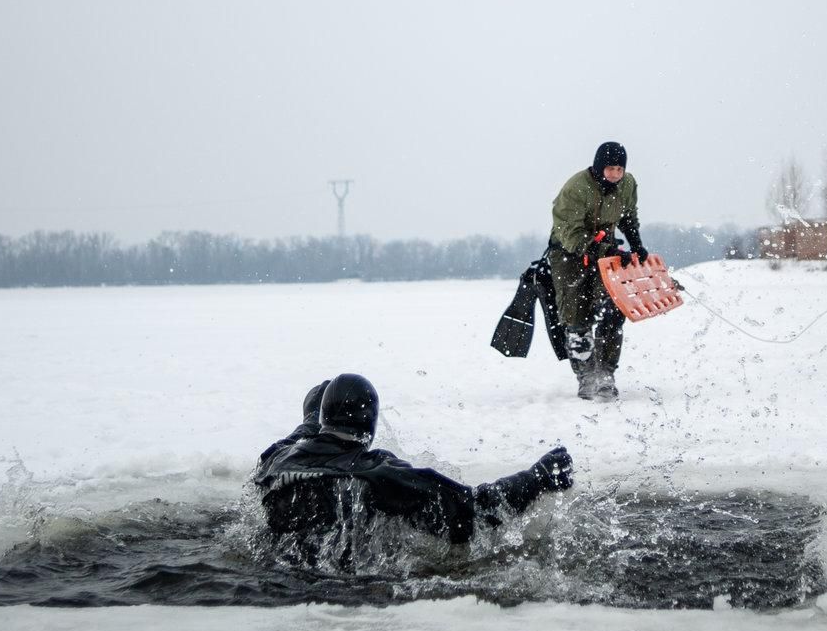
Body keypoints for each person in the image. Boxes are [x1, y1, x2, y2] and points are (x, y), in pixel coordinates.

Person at [255, 374, 574, 556]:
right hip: (347, 587)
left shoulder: (276, 461)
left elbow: (305, 431)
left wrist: (321, 407)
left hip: (277, 566)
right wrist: (538, 477)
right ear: (370, 424)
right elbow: (471, 512)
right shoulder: (377, 474)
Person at [547, 141, 647, 401]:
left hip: (606, 251)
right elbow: (572, 235)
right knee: (577, 317)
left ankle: (605, 374)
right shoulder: (576, 189)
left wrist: (637, 245)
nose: (615, 174)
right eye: (610, 168)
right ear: (598, 166)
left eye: (619, 169)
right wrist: (606, 252)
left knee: (613, 310)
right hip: (569, 254)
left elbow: (627, 217)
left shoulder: (627, 184)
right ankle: (587, 377)